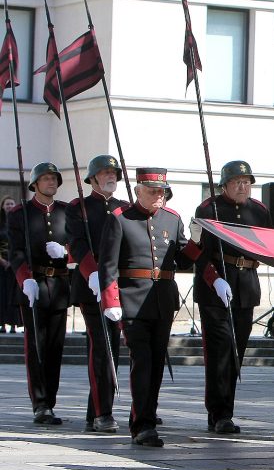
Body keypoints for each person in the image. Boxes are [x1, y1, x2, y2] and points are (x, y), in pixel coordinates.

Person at [99, 167, 206, 447]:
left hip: (162, 302)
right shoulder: (120, 220)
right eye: (152, 191)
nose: (159, 196)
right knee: (142, 362)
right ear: (138, 191)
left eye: (161, 191)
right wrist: (111, 300)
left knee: (157, 363)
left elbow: (182, 262)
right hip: (132, 300)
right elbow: (107, 266)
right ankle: (143, 425)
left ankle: (146, 417)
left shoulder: (172, 219)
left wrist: (196, 241)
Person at [193, 160, 272, 434]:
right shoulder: (208, 208)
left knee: (236, 350)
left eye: (247, 181)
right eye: (237, 181)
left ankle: (226, 409)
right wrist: (214, 279)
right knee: (219, 351)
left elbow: (268, 243)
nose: (243, 186)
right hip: (216, 286)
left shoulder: (259, 211)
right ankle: (219, 412)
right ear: (224, 185)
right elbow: (197, 251)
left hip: (246, 285)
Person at [66, 155, 129, 433]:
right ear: (92, 178)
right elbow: (77, 243)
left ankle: (97, 411)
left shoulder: (125, 208)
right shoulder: (79, 207)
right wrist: (92, 272)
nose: (110, 176)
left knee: (113, 346)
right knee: (101, 347)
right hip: (91, 285)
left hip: (117, 286)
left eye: (113, 172)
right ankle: (103, 412)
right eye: (104, 172)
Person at [8, 163, 71, 425]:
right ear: (35, 183)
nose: (51, 183)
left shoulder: (66, 212)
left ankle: (51, 402)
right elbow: (16, 251)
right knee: (36, 346)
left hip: (59, 286)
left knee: (55, 348)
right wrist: (25, 280)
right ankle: (40, 403)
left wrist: (66, 252)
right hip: (34, 284)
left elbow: (77, 242)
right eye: (45, 179)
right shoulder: (20, 214)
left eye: (54, 179)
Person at [0, 195, 21, 333]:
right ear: (2, 206)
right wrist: (2, 261)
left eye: (12, 203)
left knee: (14, 295)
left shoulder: (19, 223)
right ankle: (2, 324)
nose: (9, 206)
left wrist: (14, 261)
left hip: (15, 265)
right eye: (7, 204)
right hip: (1, 266)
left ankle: (14, 324)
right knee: (2, 294)